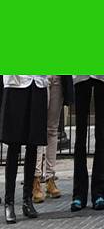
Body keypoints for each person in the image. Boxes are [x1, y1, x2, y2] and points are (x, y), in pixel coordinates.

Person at [1, 76, 48, 223]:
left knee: (33, 144)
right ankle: (9, 202)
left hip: (37, 84)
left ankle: (27, 199)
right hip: (17, 83)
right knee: (14, 146)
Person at [72, 71, 104, 211]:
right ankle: (78, 193)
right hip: (81, 75)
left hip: (102, 75)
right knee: (80, 135)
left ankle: (98, 192)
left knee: (101, 136)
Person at [33, 75, 72, 203]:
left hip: (58, 77)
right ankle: (36, 178)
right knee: (39, 129)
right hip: (41, 76)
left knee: (52, 129)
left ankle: (50, 177)